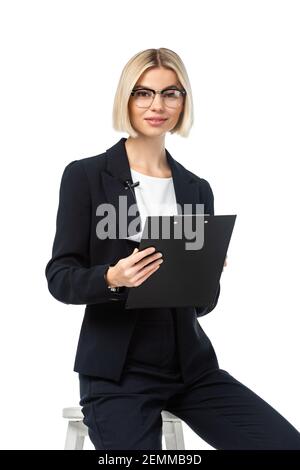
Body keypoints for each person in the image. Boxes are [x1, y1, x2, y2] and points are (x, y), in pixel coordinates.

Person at [45, 47, 300, 450]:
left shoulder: (197, 188)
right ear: (126, 99)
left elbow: (203, 305)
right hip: (117, 373)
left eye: (171, 93)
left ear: (184, 101)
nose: (157, 105)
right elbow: (60, 278)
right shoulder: (86, 176)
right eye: (143, 93)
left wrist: (205, 274)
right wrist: (112, 277)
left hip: (192, 369)